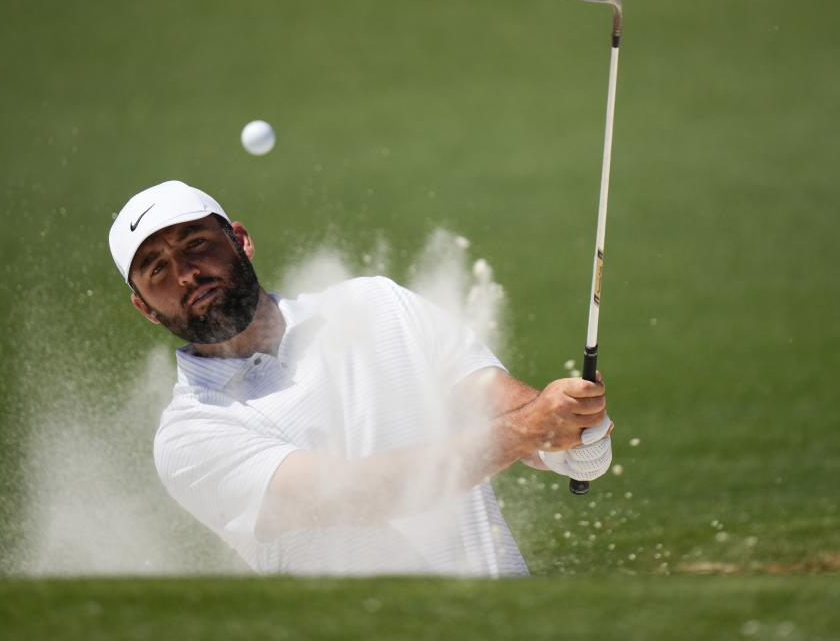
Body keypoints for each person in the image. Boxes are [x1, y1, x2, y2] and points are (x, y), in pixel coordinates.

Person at [108, 180, 613, 576]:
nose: (185, 274)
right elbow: (355, 494)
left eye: (196, 244)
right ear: (145, 308)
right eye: (157, 269)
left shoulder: (376, 303)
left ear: (240, 240)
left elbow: (498, 404)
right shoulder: (189, 435)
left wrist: (569, 438)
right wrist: (530, 430)